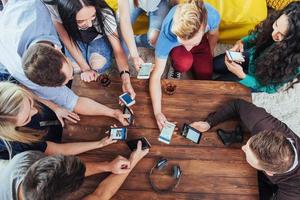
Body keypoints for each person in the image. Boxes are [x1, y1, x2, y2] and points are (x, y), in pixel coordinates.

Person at [0, 0, 131, 127]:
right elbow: (74, 102)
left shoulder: (37, 5)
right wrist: (113, 113)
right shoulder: (24, 75)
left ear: (59, 49)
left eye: (69, 74)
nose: (72, 77)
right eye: (67, 81)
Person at [190, 99, 300, 200]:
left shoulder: (294, 193)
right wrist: (208, 123)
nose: (243, 148)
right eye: (248, 145)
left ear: (269, 172)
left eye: (247, 152)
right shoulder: (264, 124)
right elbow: (237, 104)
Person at [0, 82, 117, 160]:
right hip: (55, 139)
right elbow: (60, 150)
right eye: (26, 118)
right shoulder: (19, 145)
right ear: (12, 128)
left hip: (56, 116)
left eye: (30, 103)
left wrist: (55, 108)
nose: (35, 111)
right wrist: (99, 144)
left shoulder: (9, 90)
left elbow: (25, 90)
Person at [150, 0, 220, 130]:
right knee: (183, 63)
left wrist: (209, 53)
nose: (188, 48)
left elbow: (213, 35)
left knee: (205, 76)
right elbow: (156, 75)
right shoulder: (167, 34)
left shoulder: (213, 15)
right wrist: (157, 112)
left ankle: (192, 45)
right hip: (176, 47)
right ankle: (175, 64)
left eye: (192, 43)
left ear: (203, 27)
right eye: (183, 42)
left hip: (202, 44)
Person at [0, 141, 149, 200]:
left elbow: (65, 172)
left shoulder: (26, 158)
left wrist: (108, 166)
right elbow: (99, 196)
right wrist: (133, 161)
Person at [43, 0, 138, 86]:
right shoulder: (56, 10)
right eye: (81, 21)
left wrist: (126, 80)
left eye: (93, 16)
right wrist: (85, 69)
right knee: (75, 68)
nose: (89, 24)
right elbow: (67, 40)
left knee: (98, 64)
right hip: (73, 38)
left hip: (97, 37)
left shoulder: (105, 14)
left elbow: (118, 50)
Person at [213, 2, 300, 93]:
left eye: (282, 35)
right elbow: (256, 36)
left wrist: (242, 75)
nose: (274, 34)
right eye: (276, 25)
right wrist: (242, 42)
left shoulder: (295, 63)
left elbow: (270, 88)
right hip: (252, 57)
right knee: (215, 64)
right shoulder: (274, 24)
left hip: (257, 79)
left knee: (215, 87)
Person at [117, 0, 170, 69]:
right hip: (133, 1)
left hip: (160, 2)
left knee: (156, 40)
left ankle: (135, 40)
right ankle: (131, 41)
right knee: (121, 42)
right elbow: (125, 20)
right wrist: (135, 56)